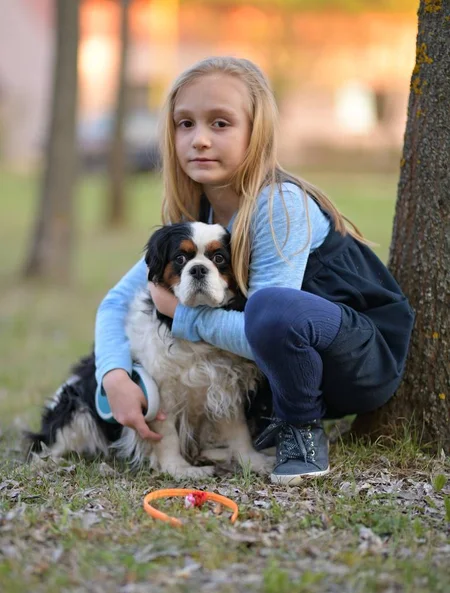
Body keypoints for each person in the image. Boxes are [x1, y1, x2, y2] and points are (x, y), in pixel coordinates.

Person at [96, 56, 414, 485]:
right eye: (184, 124)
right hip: (295, 368)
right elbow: (118, 300)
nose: (200, 140)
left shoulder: (279, 204)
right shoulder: (201, 220)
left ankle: (300, 430)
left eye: (220, 124)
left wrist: (182, 314)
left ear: (256, 133)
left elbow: (262, 330)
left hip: (359, 358)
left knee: (269, 306)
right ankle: (260, 419)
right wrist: (114, 375)